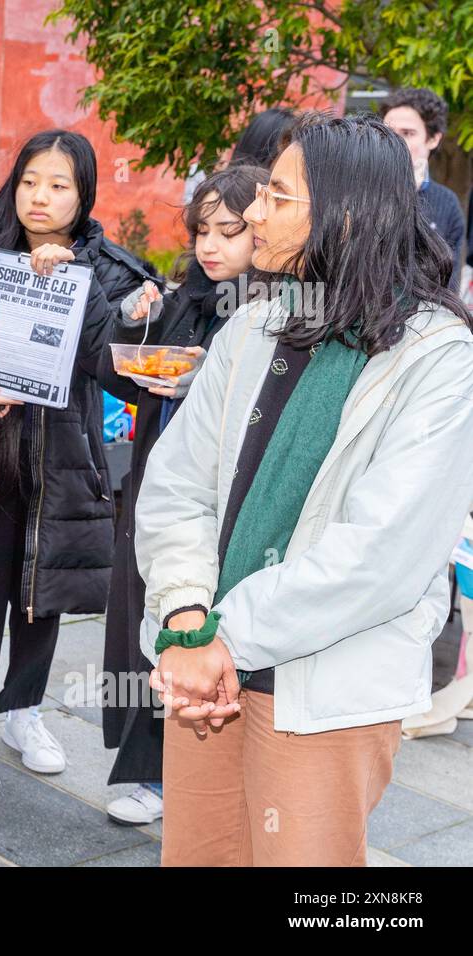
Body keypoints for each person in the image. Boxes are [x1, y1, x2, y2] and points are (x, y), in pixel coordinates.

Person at [136, 112, 473, 866]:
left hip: (324, 686)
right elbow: (177, 486)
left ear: (346, 212)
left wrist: (222, 636)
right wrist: (188, 615)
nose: (253, 210)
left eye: (277, 197)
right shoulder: (254, 325)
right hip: (209, 676)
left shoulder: (437, 357)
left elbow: (380, 553)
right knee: (201, 855)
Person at [0, 130, 161, 799]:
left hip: (63, 459)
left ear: (84, 194)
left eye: (59, 185)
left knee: (42, 597)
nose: (40, 197)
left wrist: (91, 291)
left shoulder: (109, 268)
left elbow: (120, 374)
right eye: (30, 181)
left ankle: (22, 712)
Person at [95, 165, 269, 825]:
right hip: (157, 491)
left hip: (231, 505)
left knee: (209, 628)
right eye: (203, 229)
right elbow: (118, 375)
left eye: (230, 231)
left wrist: (201, 389)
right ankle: (152, 773)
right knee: (154, 617)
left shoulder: (272, 313)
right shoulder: (183, 298)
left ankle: (205, 777)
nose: (211, 245)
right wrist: (132, 321)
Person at [381, 87, 465, 292]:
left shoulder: (446, 202)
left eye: (407, 133)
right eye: (387, 133)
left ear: (434, 138)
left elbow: (448, 284)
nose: (396, 142)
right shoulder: (358, 191)